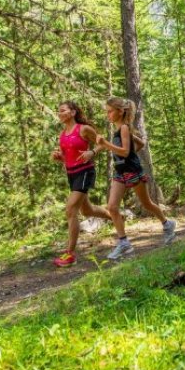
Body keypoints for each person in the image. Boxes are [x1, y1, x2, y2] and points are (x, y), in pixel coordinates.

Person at [96, 97, 176, 259]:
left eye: (110, 111)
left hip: (132, 171)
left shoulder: (124, 128)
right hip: (120, 172)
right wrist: (128, 148)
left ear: (120, 111)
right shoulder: (118, 130)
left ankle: (167, 224)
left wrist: (105, 144)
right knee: (112, 207)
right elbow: (139, 144)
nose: (108, 115)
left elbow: (125, 152)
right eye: (107, 111)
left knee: (147, 204)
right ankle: (124, 242)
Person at [50, 101, 111, 267]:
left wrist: (92, 152)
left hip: (85, 171)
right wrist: (59, 157)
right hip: (72, 174)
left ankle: (70, 254)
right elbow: (68, 156)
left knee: (71, 209)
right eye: (58, 111)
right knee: (87, 210)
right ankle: (116, 217)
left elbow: (102, 143)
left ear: (73, 112)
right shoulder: (62, 134)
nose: (59, 113)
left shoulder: (83, 129)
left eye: (62, 110)